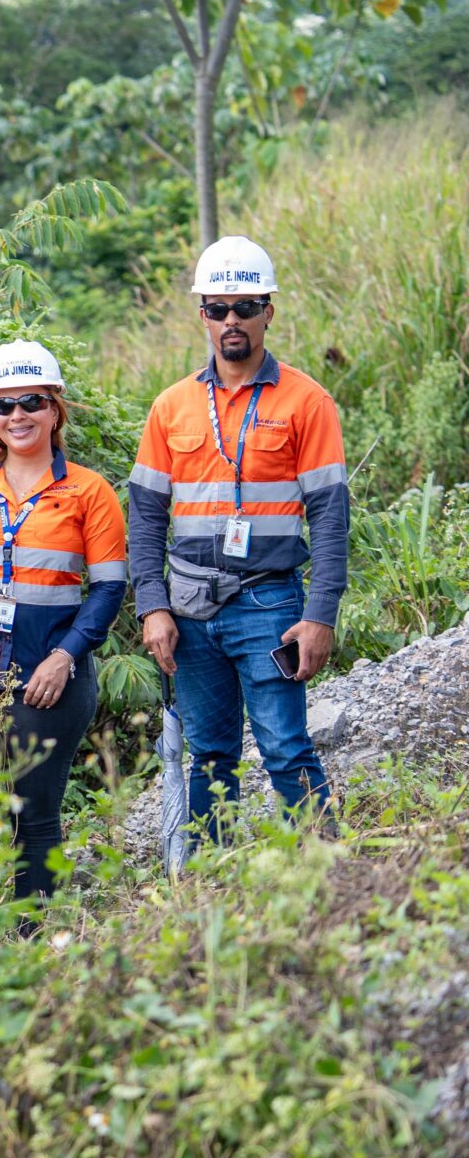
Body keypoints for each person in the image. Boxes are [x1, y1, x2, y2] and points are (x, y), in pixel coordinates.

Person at [128, 236, 346, 840]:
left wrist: (320, 613)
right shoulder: (171, 407)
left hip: (269, 602)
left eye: (245, 306)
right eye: (218, 308)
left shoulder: (307, 401)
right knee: (210, 755)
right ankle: (208, 886)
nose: (232, 320)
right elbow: (144, 518)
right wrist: (152, 606)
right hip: (189, 606)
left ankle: (329, 875)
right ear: (201, 313)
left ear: (268, 310)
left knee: (284, 746)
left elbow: (330, 517)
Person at [0, 343, 128, 901]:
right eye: (5, 405)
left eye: (31, 403)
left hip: (49, 677)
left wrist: (65, 658)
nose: (18, 416)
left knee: (33, 816)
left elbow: (109, 587)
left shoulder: (88, 490)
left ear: (55, 409)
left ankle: (34, 940)